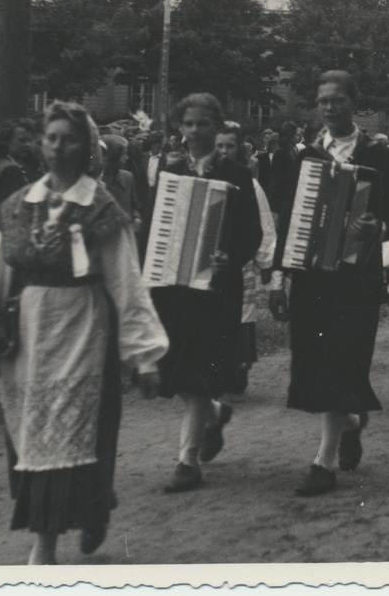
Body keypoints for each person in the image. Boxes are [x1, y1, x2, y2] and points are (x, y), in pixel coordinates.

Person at [0, 101, 169, 564]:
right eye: (51, 137)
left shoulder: (101, 207)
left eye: (68, 138)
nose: (58, 147)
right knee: (34, 437)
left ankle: (46, 546)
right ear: (41, 143)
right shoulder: (19, 207)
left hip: (82, 326)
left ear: (86, 146)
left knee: (74, 430)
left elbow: (126, 282)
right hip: (28, 333)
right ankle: (84, 513)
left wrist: (144, 354)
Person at [268, 70, 389, 495]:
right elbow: (289, 220)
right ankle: (348, 421)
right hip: (313, 277)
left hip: (356, 278)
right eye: (323, 101)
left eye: (338, 101)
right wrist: (279, 278)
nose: (329, 108)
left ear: (353, 104)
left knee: (343, 359)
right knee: (316, 361)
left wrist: (375, 227)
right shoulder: (306, 157)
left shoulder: (377, 155)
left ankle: (322, 462)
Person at [149, 94, 263, 494]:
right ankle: (214, 414)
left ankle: (187, 460)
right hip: (174, 285)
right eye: (188, 124)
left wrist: (229, 257)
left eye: (202, 124)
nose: (194, 131)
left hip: (216, 289)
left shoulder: (237, 174)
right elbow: (157, 225)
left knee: (197, 372)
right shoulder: (170, 169)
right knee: (176, 369)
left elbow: (252, 231)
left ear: (217, 129)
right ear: (180, 127)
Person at [217, 123, 277, 393]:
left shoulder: (250, 184)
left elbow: (263, 224)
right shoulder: (203, 178)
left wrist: (267, 263)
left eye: (229, 146)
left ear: (239, 150)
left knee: (240, 313)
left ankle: (239, 366)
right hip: (206, 261)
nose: (223, 151)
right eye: (218, 145)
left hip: (238, 261)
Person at [0, 118, 44, 271]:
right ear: (7, 142)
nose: (27, 145)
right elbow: (12, 214)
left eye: (29, 140)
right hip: (4, 241)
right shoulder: (11, 170)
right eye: (22, 140)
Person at [97, 134, 143, 234]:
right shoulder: (96, 182)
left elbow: (134, 206)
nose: (127, 158)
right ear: (113, 156)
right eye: (124, 154)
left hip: (125, 237)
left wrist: (136, 218)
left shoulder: (128, 177)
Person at [258, 121, 298, 215]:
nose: (297, 137)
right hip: (280, 204)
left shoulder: (291, 151)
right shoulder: (280, 153)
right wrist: (275, 209)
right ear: (290, 135)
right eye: (296, 134)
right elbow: (276, 182)